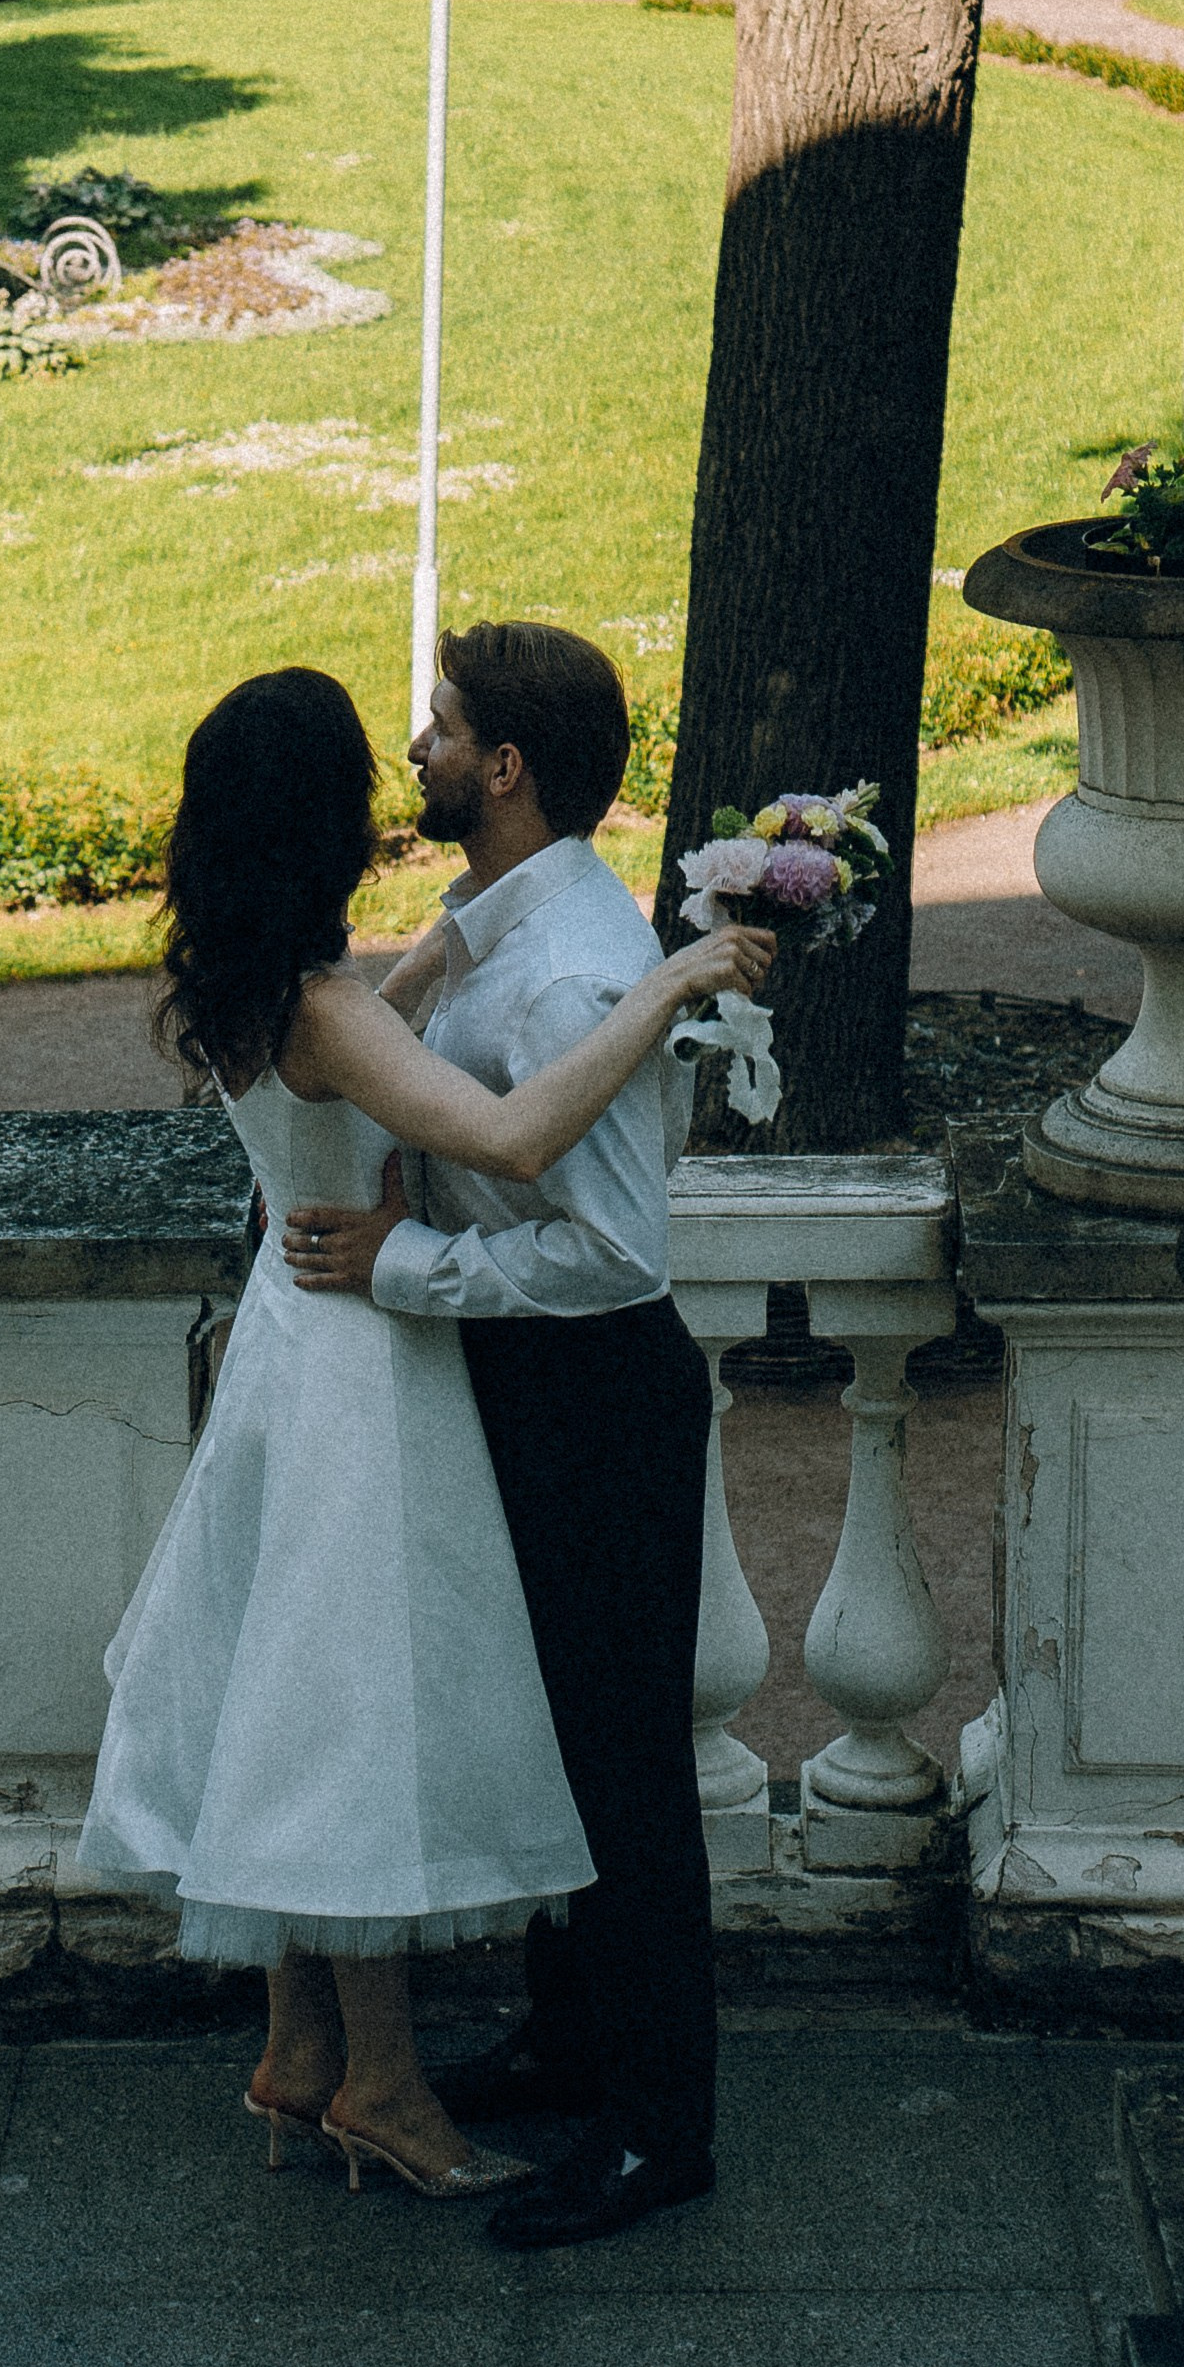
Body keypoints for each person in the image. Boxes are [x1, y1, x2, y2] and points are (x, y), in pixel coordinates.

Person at [75, 665, 771, 2203]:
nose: (413, 753)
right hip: (371, 1362)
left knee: (309, 1695)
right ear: (323, 825)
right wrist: (666, 989)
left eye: (441, 726)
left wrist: (457, 937)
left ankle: (321, 2054)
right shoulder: (335, 1008)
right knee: (360, 1712)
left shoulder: (261, 988)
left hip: (308, 1348)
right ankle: (398, 2081)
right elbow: (510, 1137)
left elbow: (352, 1082)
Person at [281, 620, 739, 2248]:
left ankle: (659, 2131)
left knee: (622, 1770)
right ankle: (570, 2040)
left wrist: (401, 1266)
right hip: (533, 1385)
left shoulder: (564, 974)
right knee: (554, 1740)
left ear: (506, 767)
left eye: (440, 727)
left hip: (593, 1394)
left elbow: (616, 1253)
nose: (417, 748)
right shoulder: (497, 924)